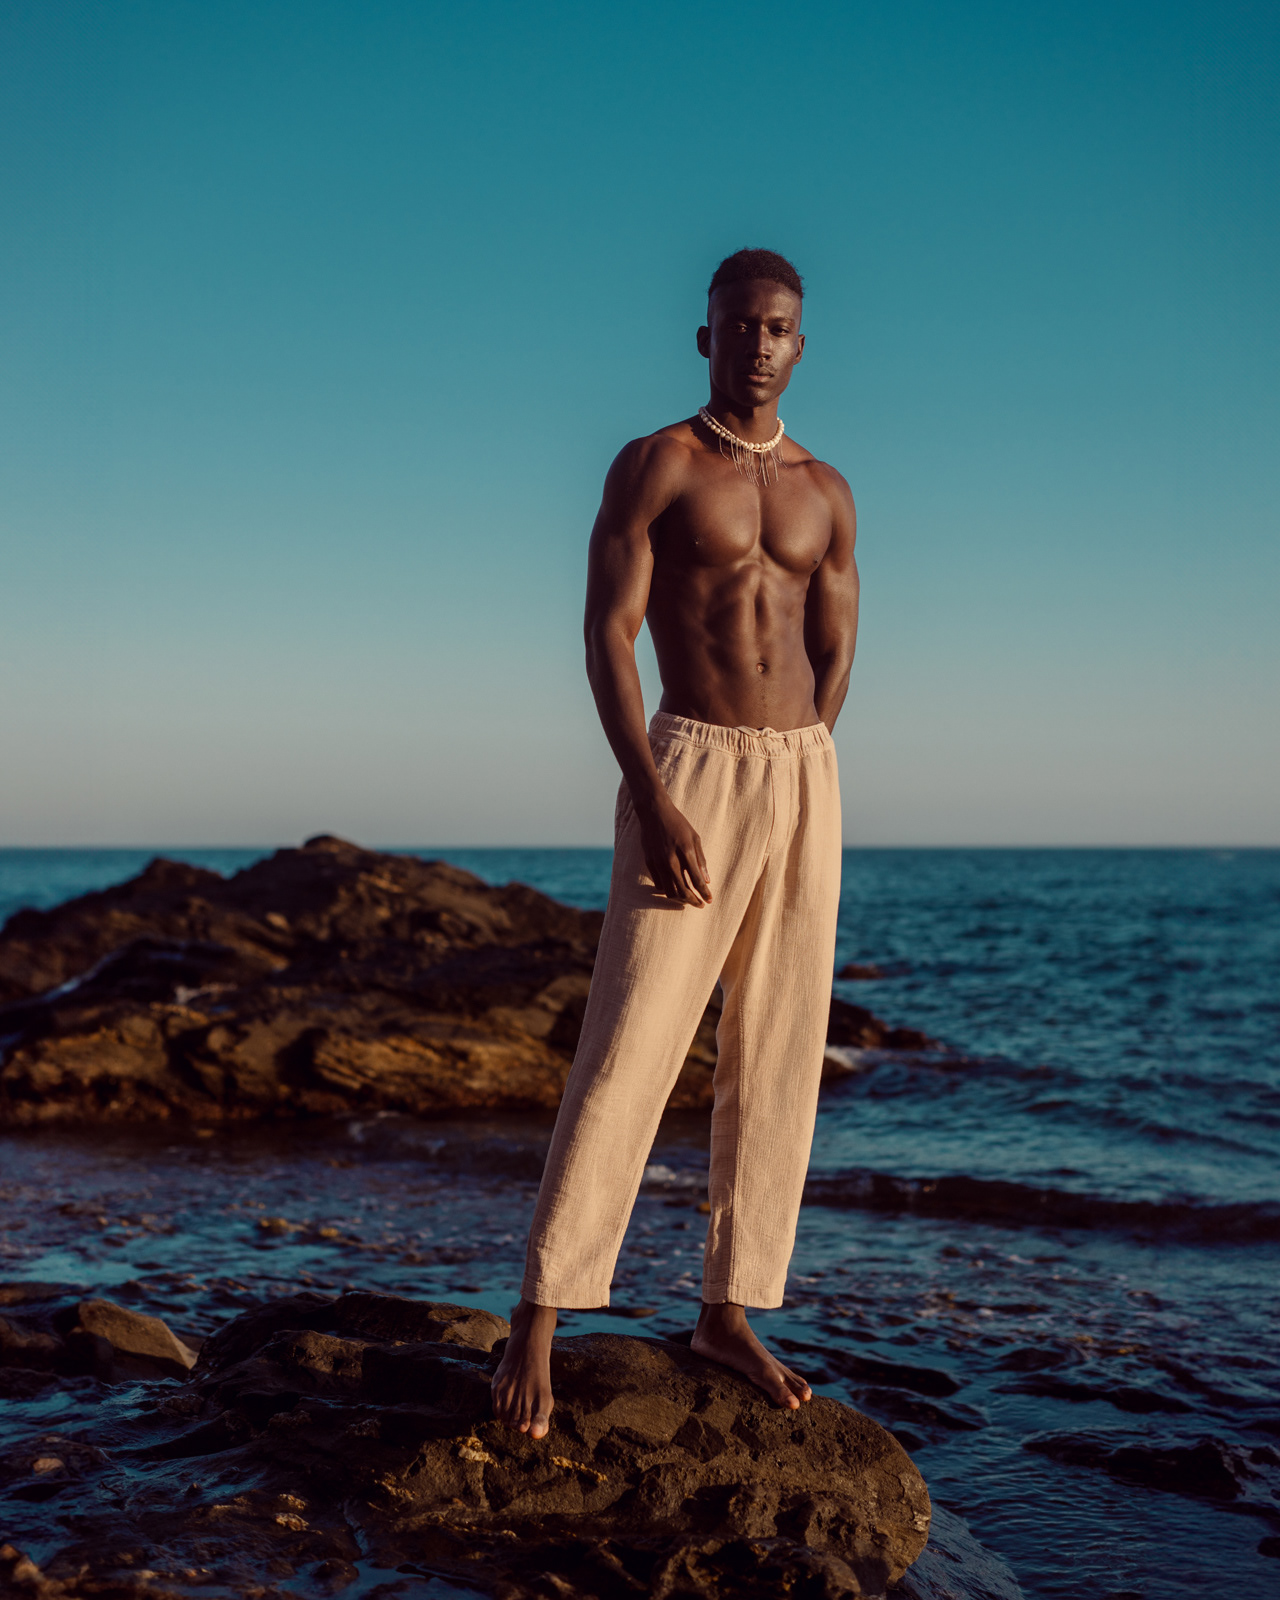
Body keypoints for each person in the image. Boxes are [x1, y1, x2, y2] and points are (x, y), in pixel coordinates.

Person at [492, 247, 859, 1438]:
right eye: (738, 323)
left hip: (800, 776)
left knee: (780, 1048)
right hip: (687, 760)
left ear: (802, 344)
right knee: (632, 1035)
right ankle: (541, 1311)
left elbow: (837, 646)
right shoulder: (656, 463)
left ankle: (729, 1307)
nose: (758, 342)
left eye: (780, 327)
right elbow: (606, 633)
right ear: (702, 335)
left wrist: (801, 773)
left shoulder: (827, 490)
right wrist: (651, 795)